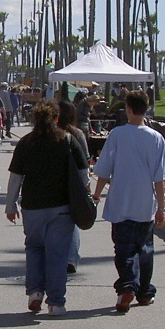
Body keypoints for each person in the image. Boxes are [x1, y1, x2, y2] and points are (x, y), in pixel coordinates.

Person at [4, 100, 88, 317]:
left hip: (32, 208)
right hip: (62, 208)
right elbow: (83, 174)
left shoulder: (26, 143)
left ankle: (35, 293)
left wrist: (11, 205)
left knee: (34, 249)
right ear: (57, 118)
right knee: (58, 256)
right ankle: (56, 303)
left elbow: (15, 178)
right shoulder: (68, 141)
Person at [91, 89, 165, 312]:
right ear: (147, 108)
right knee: (145, 249)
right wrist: (161, 207)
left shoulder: (117, 134)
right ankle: (144, 292)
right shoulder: (156, 138)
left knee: (123, 248)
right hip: (145, 203)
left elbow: (104, 168)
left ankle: (127, 286)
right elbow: (159, 177)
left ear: (128, 109)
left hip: (121, 200)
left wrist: (97, 193)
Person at [57, 97, 89, 274]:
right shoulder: (77, 134)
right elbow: (85, 157)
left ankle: (58, 256)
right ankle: (71, 257)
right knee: (72, 222)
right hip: (75, 183)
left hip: (56, 183)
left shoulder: (51, 133)